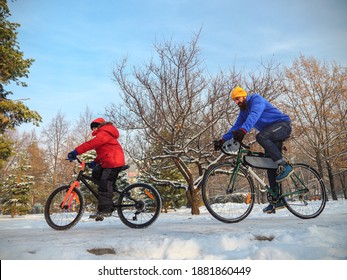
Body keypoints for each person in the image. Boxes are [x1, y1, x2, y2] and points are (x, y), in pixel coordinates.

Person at [214, 86, 293, 214]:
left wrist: (243, 131)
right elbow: (236, 126)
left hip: (282, 125)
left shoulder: (256, 100)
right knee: (270, 165)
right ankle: (277, 200)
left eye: (238, 99)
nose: (236, 102)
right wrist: (222, 140)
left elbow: (254, 115)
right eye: (234, 100)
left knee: (261, 136)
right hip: (271, 134)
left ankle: (284, 165)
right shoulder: (243, 111)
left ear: (244, 96)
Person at [67, 118, 125, 219]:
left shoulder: (104, 133)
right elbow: (104, 152)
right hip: (109, 161)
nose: (93, 130)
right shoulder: (105, 134)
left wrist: (76, 152)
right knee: (96, 172)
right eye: (92, 128)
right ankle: (109, 191)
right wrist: (94, 163)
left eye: (94, 128)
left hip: (113, 161)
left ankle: (106, 210)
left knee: (104, 184)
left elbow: (90, 144)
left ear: (99, 126)